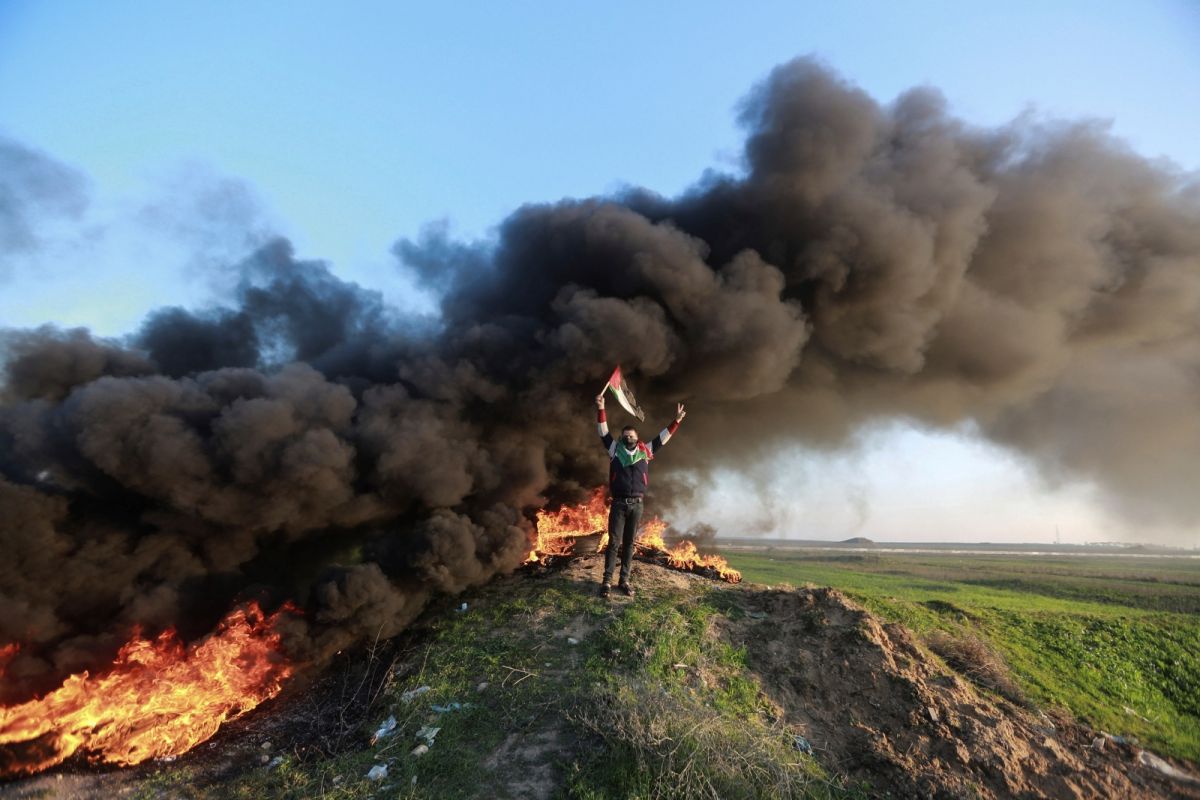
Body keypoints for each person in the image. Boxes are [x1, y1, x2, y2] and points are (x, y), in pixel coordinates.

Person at [594, 391, 686, 598]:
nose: (629, 437)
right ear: (622, 438)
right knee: (613, 543)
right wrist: (601, 408)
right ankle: (607, 582)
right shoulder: (614, 450)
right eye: (625, 435)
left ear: (637, 438)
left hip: (637, 505)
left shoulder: (646, 451)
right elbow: (603, 432)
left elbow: (663, 438)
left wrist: (676, 421)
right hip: (618, 504)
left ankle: (624, 580)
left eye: (632, 435)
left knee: (629, 545)